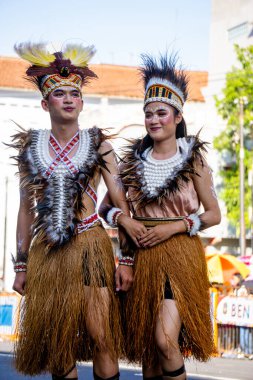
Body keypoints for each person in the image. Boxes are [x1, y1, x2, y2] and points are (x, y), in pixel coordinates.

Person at [10, 42, 135, 380]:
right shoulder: (31, 149)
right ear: (44, 102)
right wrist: (21, 266)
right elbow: (25, 210)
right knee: (57, 341)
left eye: (74, 94)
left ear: (82, 102)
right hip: (48, 253)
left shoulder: (99, 145)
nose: (68, 98)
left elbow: (122, 205)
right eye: (59, 93)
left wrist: (126, 259)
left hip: (90, 247)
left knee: (102, 335)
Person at [99, 54, 221, 380]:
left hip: (181, 256)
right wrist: (124, 223)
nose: (154, 119)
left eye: (162, 113)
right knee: (149, 355)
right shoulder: (132, 162)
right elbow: (105, 208)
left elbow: (214, 214)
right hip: (141, 258)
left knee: (165, 340)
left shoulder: (192, 157)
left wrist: (175, 227)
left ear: (178, 115)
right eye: (148, 113)